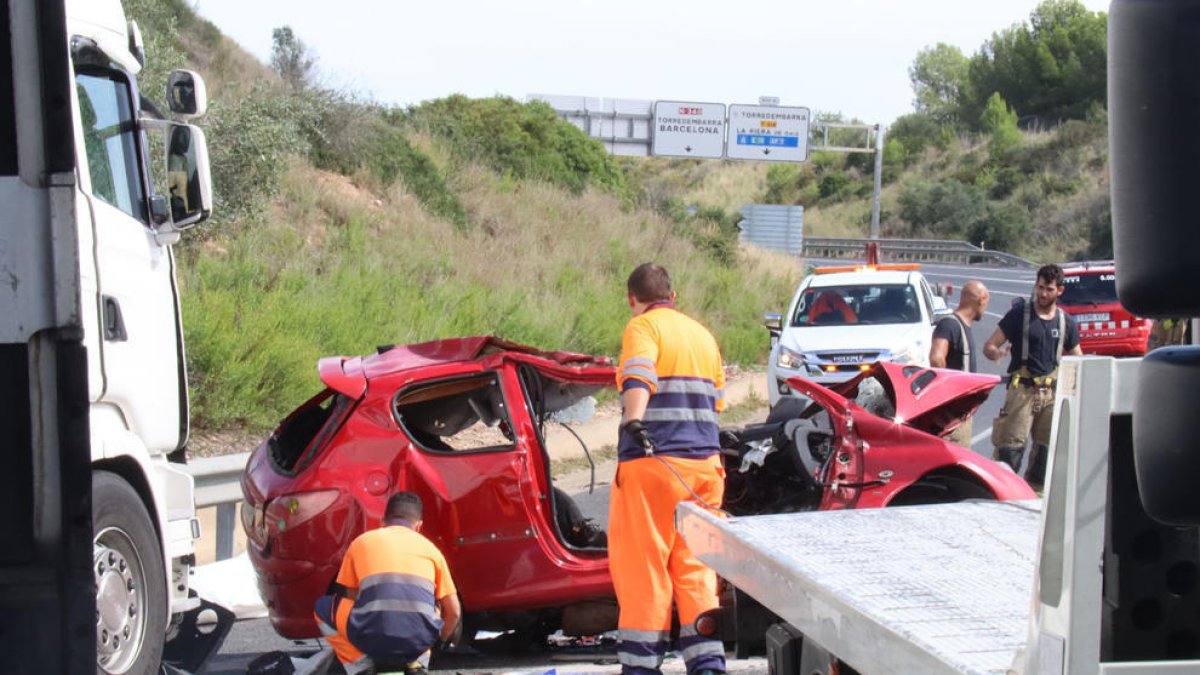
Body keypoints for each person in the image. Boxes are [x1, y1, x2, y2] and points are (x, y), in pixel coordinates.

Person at [611, 263, 727, 675]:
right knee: (696, 567)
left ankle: (642, 667)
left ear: (632, 299)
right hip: (705, 469)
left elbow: (639, 373)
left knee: (644, 566)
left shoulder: (642, 327)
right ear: (673, 297)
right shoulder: (703, 336)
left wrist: (633, 420)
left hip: (653, 465)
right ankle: (707, 663)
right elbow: (715, 403)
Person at [313, 492, 461, 675]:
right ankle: (418, 662)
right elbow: (454, 612)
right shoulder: (432, 550)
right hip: (417, 640)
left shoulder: (361, 543)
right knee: (433, 606)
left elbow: (351, 598)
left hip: (370, 635)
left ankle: (361, 666)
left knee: (323, 607)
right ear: (419, 526)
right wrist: (437, 641)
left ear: (383, 522)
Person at [983, 264, 1083, 489]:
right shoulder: (1019, 315)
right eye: (1040, 288)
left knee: (1045, 455)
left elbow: (1078, 360)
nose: (1043, 294)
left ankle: (1035, 502)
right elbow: (989, 345)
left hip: (1051, 395)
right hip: (1021, 393)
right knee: (1010, 451)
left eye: (1048, 289)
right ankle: (1001, 496)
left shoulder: (1066, 322)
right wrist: (995, 353)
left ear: (1060, 291)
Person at [929, 280, 991, 447]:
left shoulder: (963, 326)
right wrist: (949, 394)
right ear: (982, 299)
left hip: (961, 417)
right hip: (952, 420)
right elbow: (936, 358)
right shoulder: (949, 324)